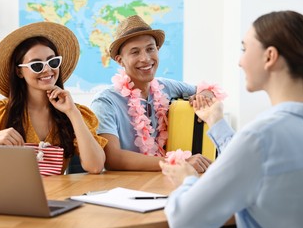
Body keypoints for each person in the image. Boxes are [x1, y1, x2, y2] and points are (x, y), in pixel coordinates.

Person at [159, 10, 303, 228]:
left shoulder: (261, 137)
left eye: (244, 49)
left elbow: (184, 220)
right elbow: (253, 165)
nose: (240, 61)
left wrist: (187, 181)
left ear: (270, 56)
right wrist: (215, 121)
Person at [0, 22, 107, 175]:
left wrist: (72, 112)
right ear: (19, 72)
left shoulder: (75, 113)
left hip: (58, 196)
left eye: (53, 62)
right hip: (10, 196)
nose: (47, 69)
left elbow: (95, 166)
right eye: (36, 65)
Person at [90, 15, 218, 172]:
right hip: (123, 187)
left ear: (157, 50)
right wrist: (178, 163)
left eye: (150, 49)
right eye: (135, 52)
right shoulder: (105, 102)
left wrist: (203, 97)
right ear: (120, 60)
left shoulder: (166, 86)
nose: (145, 58)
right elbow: (113, 158)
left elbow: (209, 90)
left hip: (166, 180)